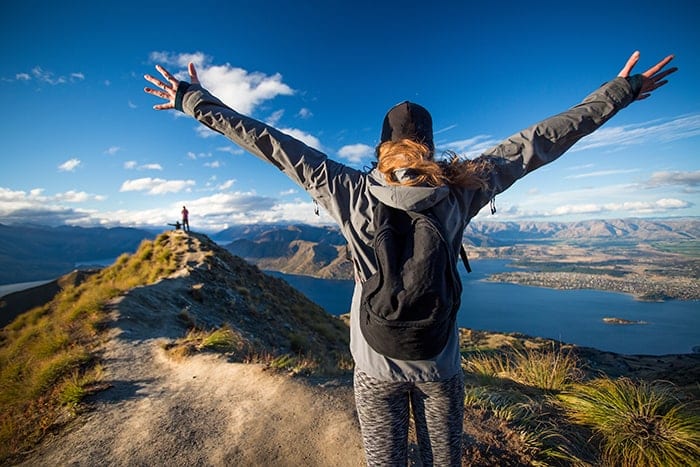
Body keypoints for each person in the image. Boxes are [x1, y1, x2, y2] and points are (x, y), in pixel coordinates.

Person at [144, 51, 675, 466]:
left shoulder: (345, 189)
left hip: (374, 364)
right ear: (429, 145)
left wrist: (196, 102)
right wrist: (619, 92)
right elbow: (541, 140)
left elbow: (268, 142)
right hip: (438, 362)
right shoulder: (465, 185)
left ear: (381, 148)